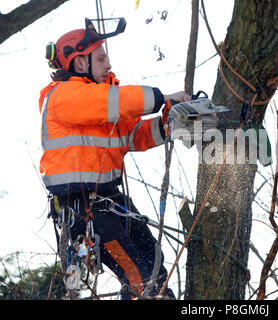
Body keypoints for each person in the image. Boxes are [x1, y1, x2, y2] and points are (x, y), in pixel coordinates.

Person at [39, 19, 190, 299]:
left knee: (155, 265)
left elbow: (134, 136)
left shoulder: (100, 105)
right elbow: (115, 101)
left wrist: (170, 123)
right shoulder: (65, 97)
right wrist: (161, 97)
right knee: (141, 281)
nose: (108, 64)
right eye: (101, 57)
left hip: (111, 202)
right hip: (85, 211)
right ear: (80, 63)